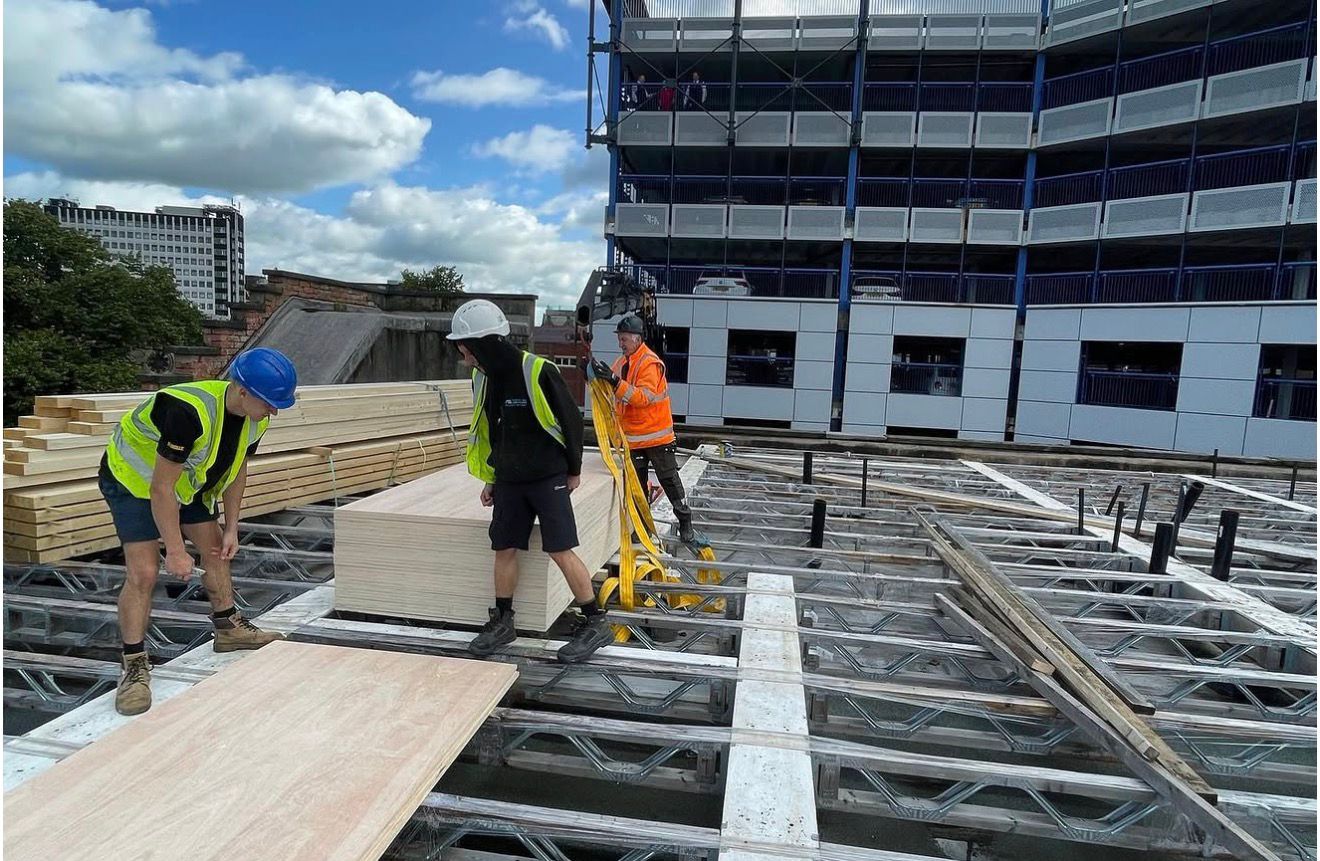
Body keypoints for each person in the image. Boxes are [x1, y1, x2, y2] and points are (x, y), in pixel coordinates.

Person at [102, 347, 297, 716]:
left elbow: (237, 469)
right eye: (270, 403)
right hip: (135, 481)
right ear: (242, 391)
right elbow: (161, 489)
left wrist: (232, 527)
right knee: (144, 571)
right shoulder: (187, 413)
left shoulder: (256, 418)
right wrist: (174, 549)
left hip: (187, 480)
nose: (274, 411)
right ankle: (134, 665)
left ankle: (228, 629)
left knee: (215, 549)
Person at [447, 299, 613, 664]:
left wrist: (573, 470)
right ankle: (504, 621)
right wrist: (491, 477)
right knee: (504, 547)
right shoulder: (482, 378)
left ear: (482, 344)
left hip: (546, 477)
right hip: (509, 479)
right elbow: (491, 429)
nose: (461, 353)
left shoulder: (536, 370)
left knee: (559, 548)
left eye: (464, 346)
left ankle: (596, 622)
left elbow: (570, 422)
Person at [591, 315, 696, 545]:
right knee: (637, 488)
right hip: (634, 439)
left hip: (656, 437)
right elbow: (614, 389)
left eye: (624, 339)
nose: (621, 343)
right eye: (620, 339)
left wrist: (613, 381)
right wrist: (594, 376)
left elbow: (641, 398)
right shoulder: (622, 362)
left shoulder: (649, 363)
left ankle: (686, 524)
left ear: (637, 339)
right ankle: (642, 530)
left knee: (669, 480)